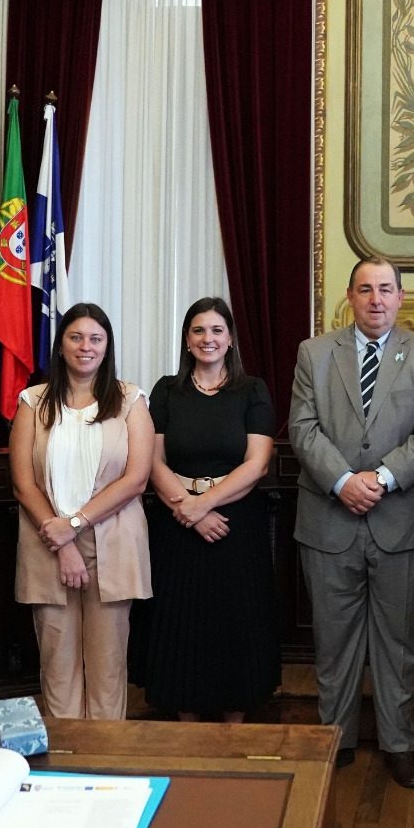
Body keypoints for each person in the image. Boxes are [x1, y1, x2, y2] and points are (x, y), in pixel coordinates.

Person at [289, 257, 414, 788]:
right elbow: (302, 428)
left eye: (385, 289)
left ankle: (398, 743)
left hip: (403, 521)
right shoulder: (314, 353)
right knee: (333, 641)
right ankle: (333, 740)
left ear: (400, 297)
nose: (376, 299)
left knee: (400, 642)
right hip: (328, 519)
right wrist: (342, 481)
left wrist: (379, 478)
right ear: (350, 296)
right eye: (365, 289)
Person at [10, 303, 154, 719]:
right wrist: (63, 541)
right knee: (57, 666)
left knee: (108, 668)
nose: (85, 347)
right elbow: (23, 484)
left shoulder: (130, 400)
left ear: (107, 347)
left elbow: (136, 479)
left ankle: (106, 753)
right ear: (60, 346)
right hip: (47, 544)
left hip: (113, 544)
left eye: (95, 338)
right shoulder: (33, 401)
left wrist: (74, 524)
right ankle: (65, 751)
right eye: (75, 337)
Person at [141, 297, 279, 719]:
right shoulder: (167, 390)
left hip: (237, 526)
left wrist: (202, 505)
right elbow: (152, 460)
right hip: (177, 524)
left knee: (235, 623)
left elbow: (257, 464)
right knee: (183, 625)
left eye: (217, 330)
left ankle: (234, 727)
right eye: (198, 330)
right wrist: (187, 509)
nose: (208, 339)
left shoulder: (252, 390)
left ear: (230, 339)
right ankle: (187, 726)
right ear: (187, 340)